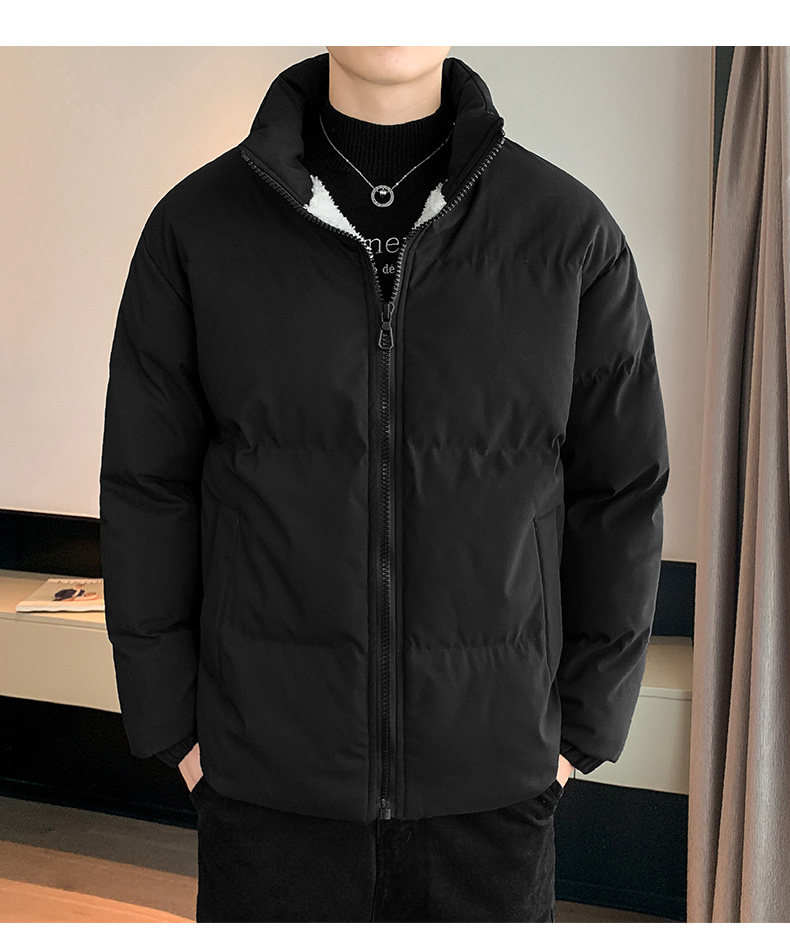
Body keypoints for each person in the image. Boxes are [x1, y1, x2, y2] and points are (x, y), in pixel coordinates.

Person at [99, 46, 670, 922]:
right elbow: (147, 488)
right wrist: (174, 729)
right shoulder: (198, 227)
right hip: (266, 790)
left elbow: (620, 492)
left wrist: (581, 733)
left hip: (494, 793)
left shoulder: (568, 234)